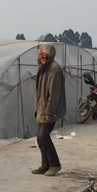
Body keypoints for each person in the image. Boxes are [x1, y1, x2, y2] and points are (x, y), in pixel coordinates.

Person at [31, 43, 66, 177]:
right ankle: (45, 165)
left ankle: (55, 164)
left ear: (44, 55)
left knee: (43, 136)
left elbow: (54, 93)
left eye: (39, 51)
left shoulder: (54, 69)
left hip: (49, 109)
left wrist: (50, 112)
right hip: (41, 108)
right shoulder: (43, 67)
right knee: (40, 138)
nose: (38, 53)